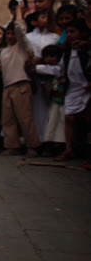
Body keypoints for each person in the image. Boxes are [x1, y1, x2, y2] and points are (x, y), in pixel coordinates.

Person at [0, 2, 40, 158]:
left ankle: (32, 146)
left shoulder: (22, 47)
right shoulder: (5, 52)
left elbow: (21, 30)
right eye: (8, 34)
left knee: (25, 118)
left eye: (11, 34)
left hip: (21, 84)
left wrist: (19, 12)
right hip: (7, 87)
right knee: (8, 119)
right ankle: (12, 145)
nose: (10, 36)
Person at [54, 19, 91, 161]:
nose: (69, 35)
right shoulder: (68, 50)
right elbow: (62, 69)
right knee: (69, 117)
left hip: (87, 86)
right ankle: (69, 149)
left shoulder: (87, 49)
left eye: (72, 32)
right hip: (74, 87)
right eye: (67, 32)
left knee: (88, 118)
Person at [27, 10, 60, 143]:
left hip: (51, 75)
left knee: (52, 110)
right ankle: (38, 139)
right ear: (34, 22)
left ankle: (51, 140)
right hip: (34, 77)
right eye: (43, 17)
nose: (46, 19)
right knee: (37, 109)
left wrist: (42, 62)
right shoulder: (28, 37)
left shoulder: (54, 37)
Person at [35, 45, 66, 155]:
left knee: (61, 123)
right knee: (50, 123)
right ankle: (48, 145)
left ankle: (60, 146)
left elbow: (55, 71)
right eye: (46, 56)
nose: (49, 59)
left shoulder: (61, 69)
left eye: (52, 56)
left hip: (62, 101)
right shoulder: (43, 72)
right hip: (50, 102)